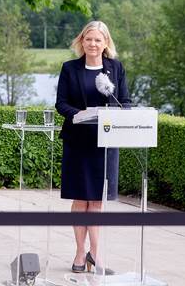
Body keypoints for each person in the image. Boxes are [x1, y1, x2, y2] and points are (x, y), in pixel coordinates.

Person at [55, 21, 131, 274]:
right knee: (80, 199)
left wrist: (114, 113)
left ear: (106, 43)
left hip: (105, 144)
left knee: (97, 201)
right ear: (82, 41)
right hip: (77, 141)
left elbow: (126, 103)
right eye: (89, 39)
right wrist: (81, 114)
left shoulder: (116, 69)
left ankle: (95, 255)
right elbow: (61, 104)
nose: (93, 44)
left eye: (98, 40)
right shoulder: (69, 68)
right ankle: (79, 252)